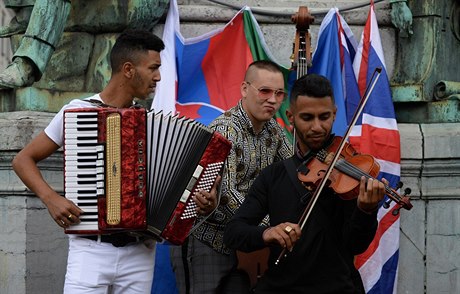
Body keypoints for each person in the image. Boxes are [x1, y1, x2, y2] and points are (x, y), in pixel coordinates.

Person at [12, 29, 218, 293]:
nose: (158, 77)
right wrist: (51, 199)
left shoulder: (152, 124)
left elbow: (173, 192)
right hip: (89, 250)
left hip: (140, 253)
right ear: (129, 69)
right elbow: (23, 160)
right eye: (153, 68)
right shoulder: (79, 111)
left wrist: (202, 202)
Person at [223, 73, 387, 294]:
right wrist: (267, 233)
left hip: (337, 288)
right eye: (307, 118)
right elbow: (234, 233)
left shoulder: (349, 176)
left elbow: (356, 244)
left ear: (334, 114)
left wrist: (366, 211)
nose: (317, 127)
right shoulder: (273, 176)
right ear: (291, 117)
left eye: (325, 117)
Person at [170, 60, 293, 294]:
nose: (273, 100)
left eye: (279, 93)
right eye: (265, 91)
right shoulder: (226, 129)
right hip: (207, 240)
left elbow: (292, 172)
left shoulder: (274, 130)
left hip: (244, 242)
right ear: (244, 89)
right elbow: (226, 195)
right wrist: (271, 228)